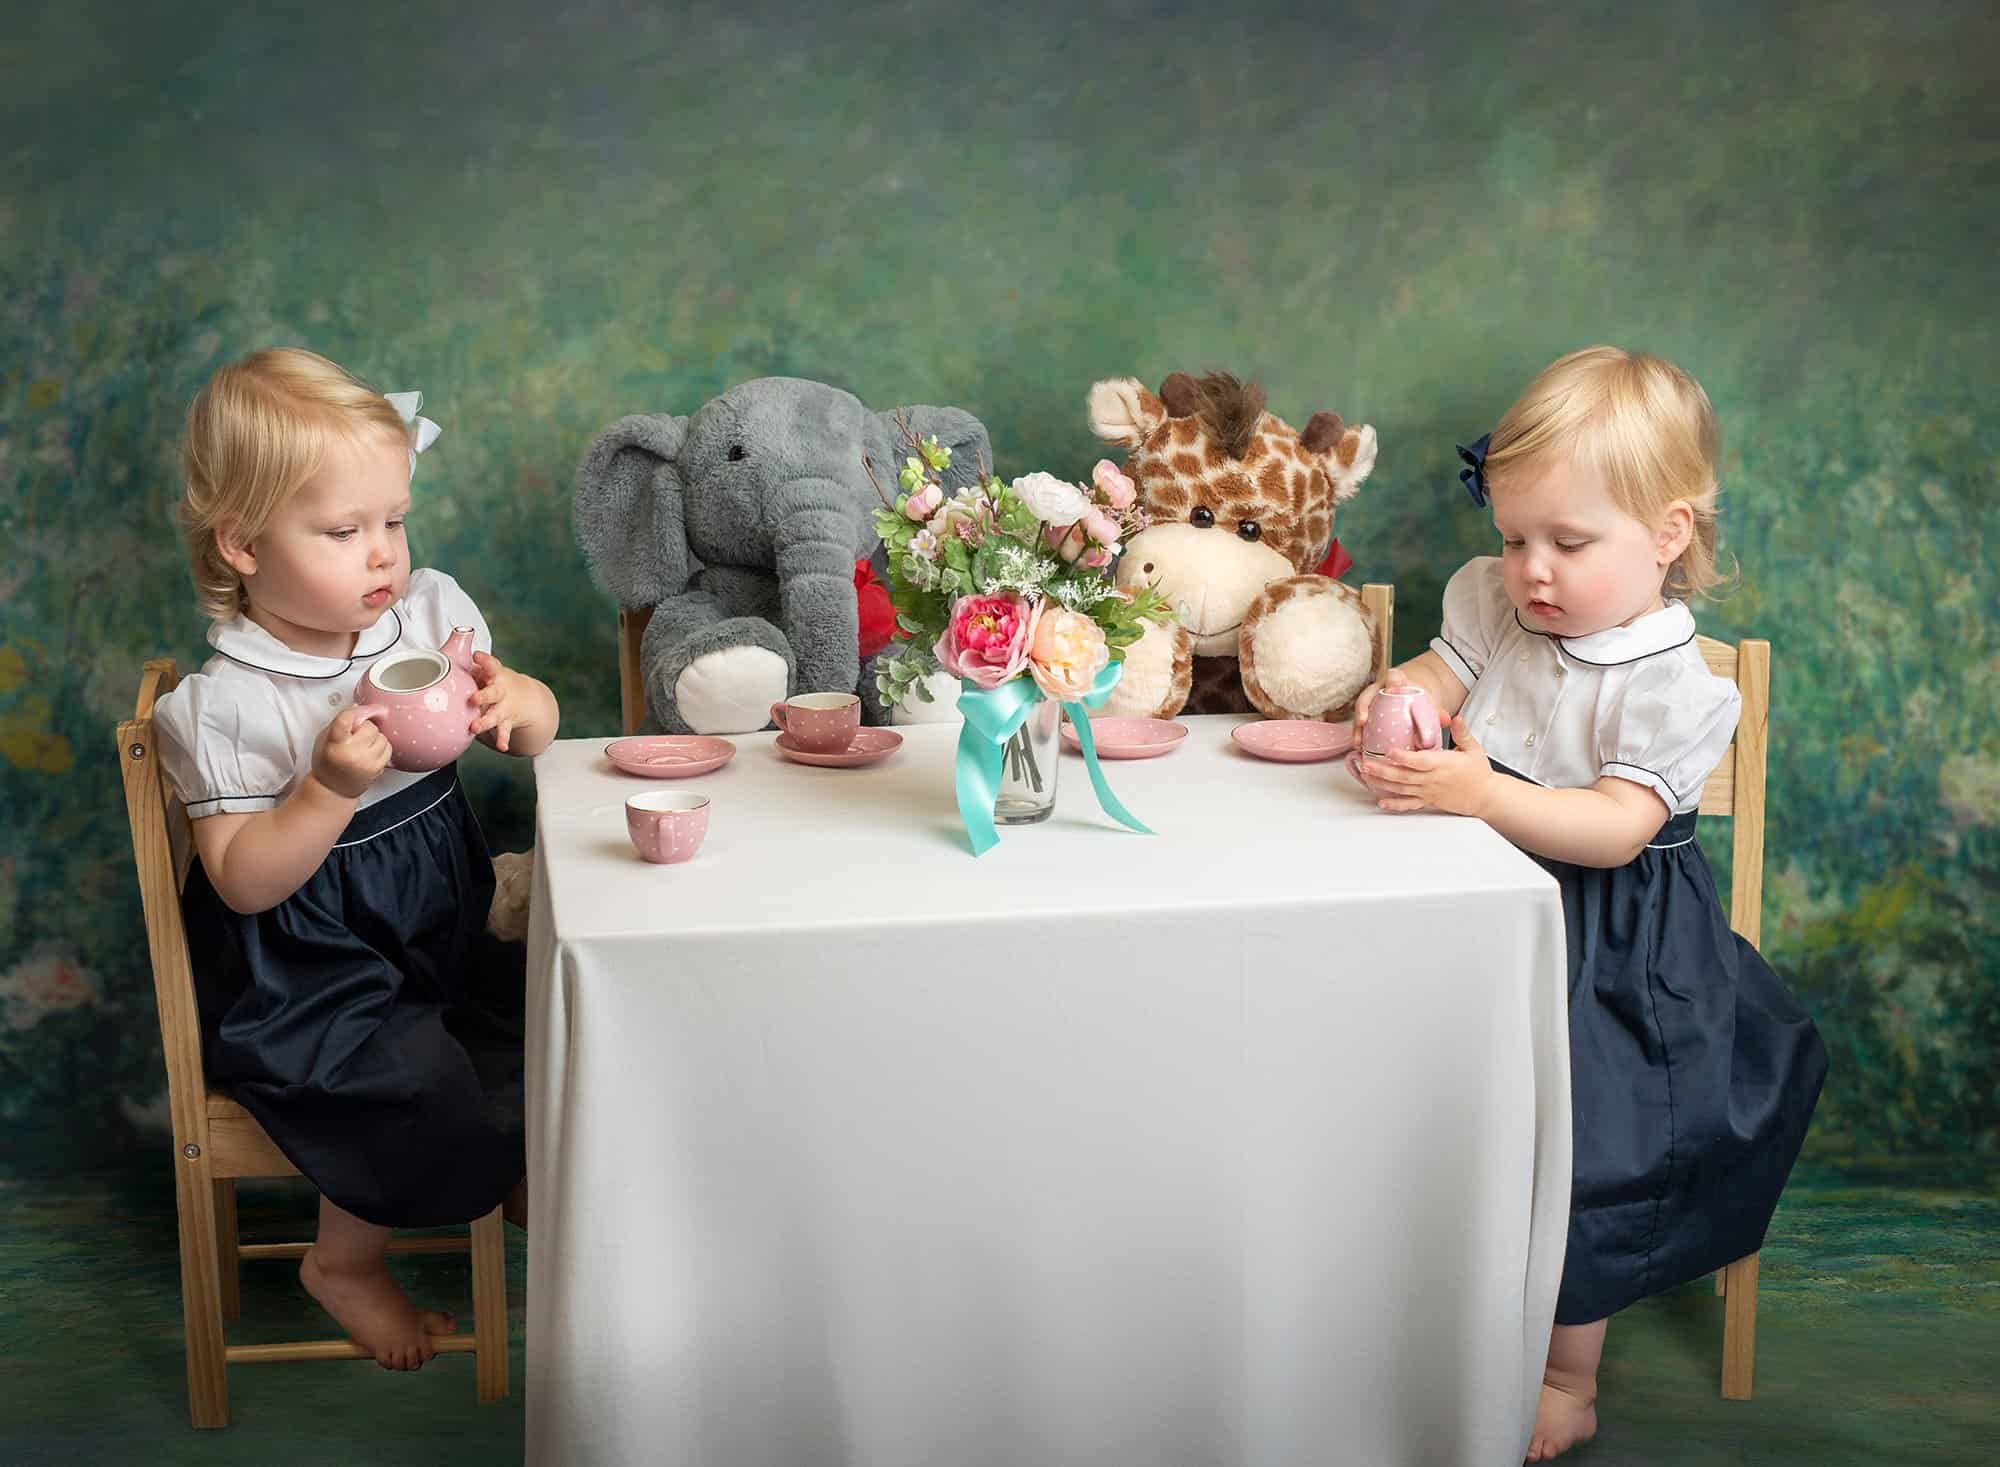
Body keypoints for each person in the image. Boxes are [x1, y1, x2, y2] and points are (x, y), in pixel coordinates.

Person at [1351, 346, 1827, 1460]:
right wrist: (1402, 695)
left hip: (1611, 946)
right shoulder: (1498, 604)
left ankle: (1566, 1376)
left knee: (1590, 1150)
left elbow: (1615, 829)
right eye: (1514, 538)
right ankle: (1404, 1299)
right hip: (1474, 904)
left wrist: (1478, 791)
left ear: (1666, 534)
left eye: (1568, 543)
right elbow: (1443, 667)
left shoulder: (1671, 684)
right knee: (1416, 1091)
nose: (1531, 571)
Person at [154, 348, 560, 1370]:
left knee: (542, 1004)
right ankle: (343, 1264)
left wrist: (524, 707)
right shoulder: (233, 704)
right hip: (312, 973)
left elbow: (538, 721)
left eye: (392, 519)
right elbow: (243, 880)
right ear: (243, 546)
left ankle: (504, 1164)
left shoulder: (426, 614)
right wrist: (324, 790)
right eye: (342, 531)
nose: (382, 554)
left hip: (439, 922)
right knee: (407, 1075)